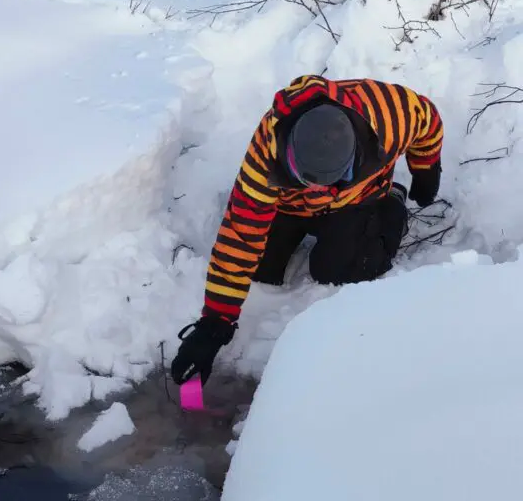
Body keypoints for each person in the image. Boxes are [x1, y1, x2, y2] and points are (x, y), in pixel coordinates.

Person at [171, 74, 443, 386]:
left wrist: (425, 168)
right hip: (291, 205)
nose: (318, 188)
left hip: (356, 200)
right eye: (308, 180)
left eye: (326, 180)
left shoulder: (387, 114)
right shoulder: (267, 150)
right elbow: (242, 234)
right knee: (261, 267)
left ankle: (393, 203)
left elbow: (428, 119)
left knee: (338, 269)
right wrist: (214, 324)